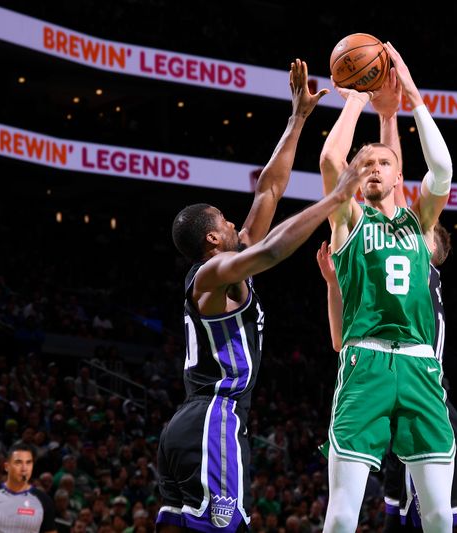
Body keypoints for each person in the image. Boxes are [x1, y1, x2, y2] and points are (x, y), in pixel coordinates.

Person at [156, 58, 374, 533]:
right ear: (211, 239)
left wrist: (297, 118)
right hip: (215, 418)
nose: (234, 222)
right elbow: (274, 251)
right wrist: (337, 198)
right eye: (223, 221)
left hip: (187, 427)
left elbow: (270, 190)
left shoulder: (229, 264)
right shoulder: (212, 275)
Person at [318, 42, 455, 533]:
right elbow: (332, 162)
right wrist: (354, 97)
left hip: (420, 364)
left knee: (438, 513)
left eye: (383, 162)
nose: (373, 166)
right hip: (366, 363)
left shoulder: (420, 223)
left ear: (400, 176)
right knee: (341, 514)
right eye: (366, 163)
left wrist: (413, 101)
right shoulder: (347, 218)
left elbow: (442, 170)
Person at [0, 442, 57, 533]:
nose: (24, 468)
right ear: (7, 466)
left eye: (28, 463)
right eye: (18, 462)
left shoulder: (44, 501)